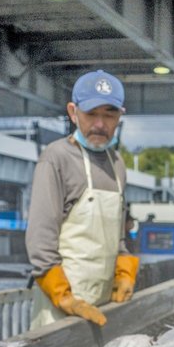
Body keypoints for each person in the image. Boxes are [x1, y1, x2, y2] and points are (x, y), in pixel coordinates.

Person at [26, 70, 138, 329]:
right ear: (73, 112)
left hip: (102, 302)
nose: (100, 124)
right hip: (61, 305)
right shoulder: (56, 158)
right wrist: (65, 298)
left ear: (120, 116)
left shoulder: (117, 163)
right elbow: (40, 238)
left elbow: (116, 234)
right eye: (91, 114)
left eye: (109, 114)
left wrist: (124, 270)